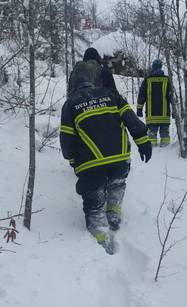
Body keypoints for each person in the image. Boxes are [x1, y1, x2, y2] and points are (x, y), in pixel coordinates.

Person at [60, 65, 152, 255]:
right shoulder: (110, 94)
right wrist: (143, 141)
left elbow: (67, 139)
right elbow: (130, 118)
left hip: (91, 164)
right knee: (117, 184)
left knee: (93, 203)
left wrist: (72, 159)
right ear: (91, 84)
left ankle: (102, 240)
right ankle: (114, 213)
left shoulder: (70, 104)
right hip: (120, 159)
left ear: (74, 88)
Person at [137, 59, 174, 147]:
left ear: (152, 67)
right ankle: (166, 150)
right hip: (164, 115)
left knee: (152, 135)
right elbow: (172, 97)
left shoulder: (147, 80)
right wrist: (174, 112)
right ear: (161, 67)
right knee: (165, 135)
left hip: (151, 115)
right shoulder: (167, 80)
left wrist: (139, 109)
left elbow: (142, 96)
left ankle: (153, 151)